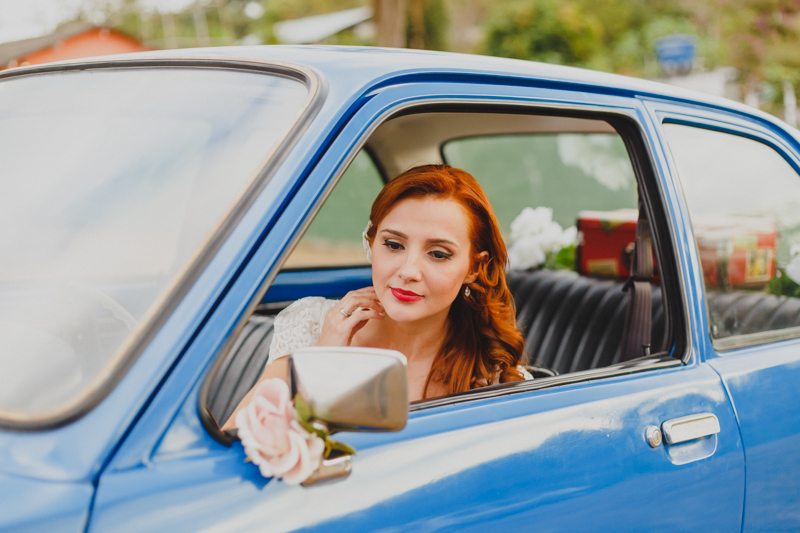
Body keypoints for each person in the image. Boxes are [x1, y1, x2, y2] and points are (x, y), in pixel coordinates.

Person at [222, 164, 529, 431]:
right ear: (372, 243)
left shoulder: (496, 373)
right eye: (394, 245)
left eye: (438, 254)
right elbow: (233, 449)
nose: (409, 271)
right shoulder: (313, 324)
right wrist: (323, 360)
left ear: (474, 267)